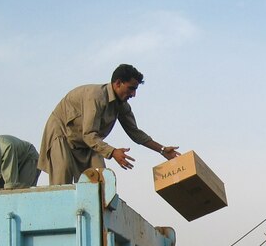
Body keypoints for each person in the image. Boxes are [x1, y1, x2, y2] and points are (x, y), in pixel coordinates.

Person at [38, 64, 180, 184]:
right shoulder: (96, 97)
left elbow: (135, 133)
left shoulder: (122, 105)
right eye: (131, 88)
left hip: (86, 143)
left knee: (100, 180)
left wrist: (161, 149)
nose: (134, 94)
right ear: (118, 83)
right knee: (63, 173)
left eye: (135, 89)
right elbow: (89, 134)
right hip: (63, 135)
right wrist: (113, 152)